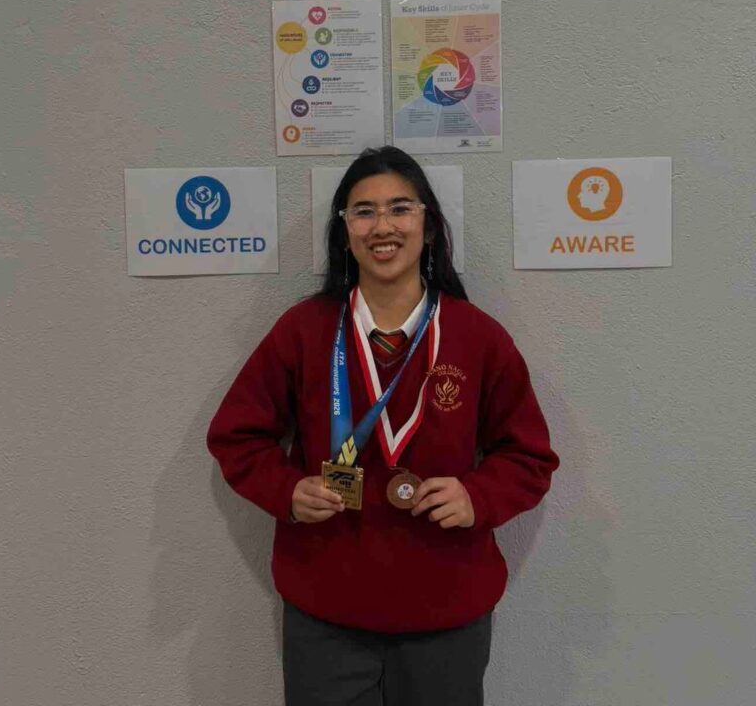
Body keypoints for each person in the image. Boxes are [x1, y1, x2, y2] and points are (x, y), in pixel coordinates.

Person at [206, 146, 559, 705]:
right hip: (326, 613)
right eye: (363, 211)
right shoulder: (304, 331)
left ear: (429, 226)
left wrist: (478, 496)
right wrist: (286, 490)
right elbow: (236, 436)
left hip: (446, 610)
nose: (383, 226)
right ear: (344, 231)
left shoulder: (477, 337)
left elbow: (529, 456)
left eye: (400, 208)